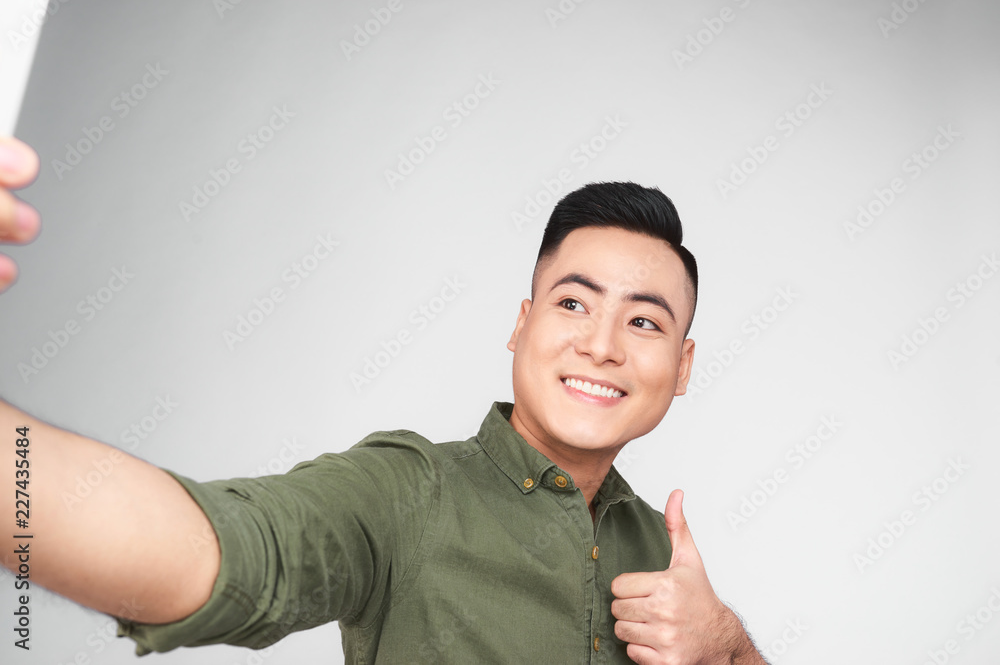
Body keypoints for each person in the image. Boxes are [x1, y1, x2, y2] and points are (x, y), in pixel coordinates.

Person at [0, 135, 768, 664]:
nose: (602, 344)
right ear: (521, 323)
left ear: (682, 363)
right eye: (572, 304)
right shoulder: (410, 491)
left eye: (643, 320)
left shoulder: (663, 550)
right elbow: (223, 550)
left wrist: (725, 639)